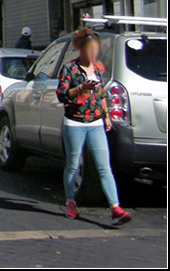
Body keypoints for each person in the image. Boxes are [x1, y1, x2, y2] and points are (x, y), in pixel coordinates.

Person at [56, 28, 132, 225]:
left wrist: (106, 116)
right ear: (80, 48)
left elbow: (100, 95)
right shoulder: (69, 69)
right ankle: (70, 202)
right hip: (74, 122)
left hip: (96, 122)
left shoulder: (98, 69)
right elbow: (62, 95)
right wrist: (81, 88)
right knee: (73, 165)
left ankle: (115, 207)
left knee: (104, 166)